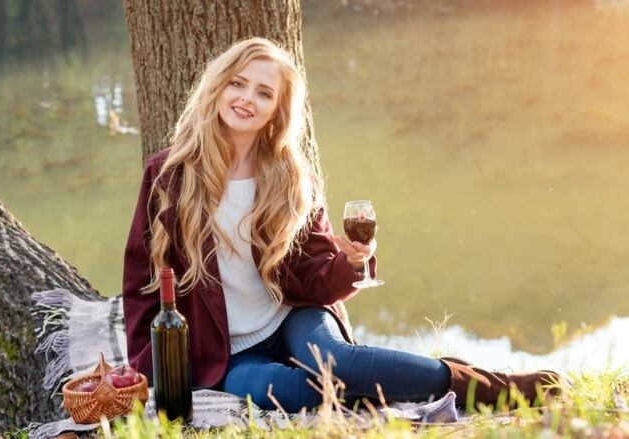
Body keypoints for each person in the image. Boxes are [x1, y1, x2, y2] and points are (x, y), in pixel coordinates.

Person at [122, 37, 560, 412]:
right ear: (218, 88)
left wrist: (350, 264)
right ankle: (412, 380)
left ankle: (494, 388)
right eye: (237, 84)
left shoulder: (287, 176)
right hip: (227, 355)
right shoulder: (170, 175)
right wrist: (147, 368)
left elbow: (313, 274)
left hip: (291, 316)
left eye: (263, 92)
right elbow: (141, 281)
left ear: (276, 110)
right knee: (294, 393)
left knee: (339, 364)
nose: (246, 99)